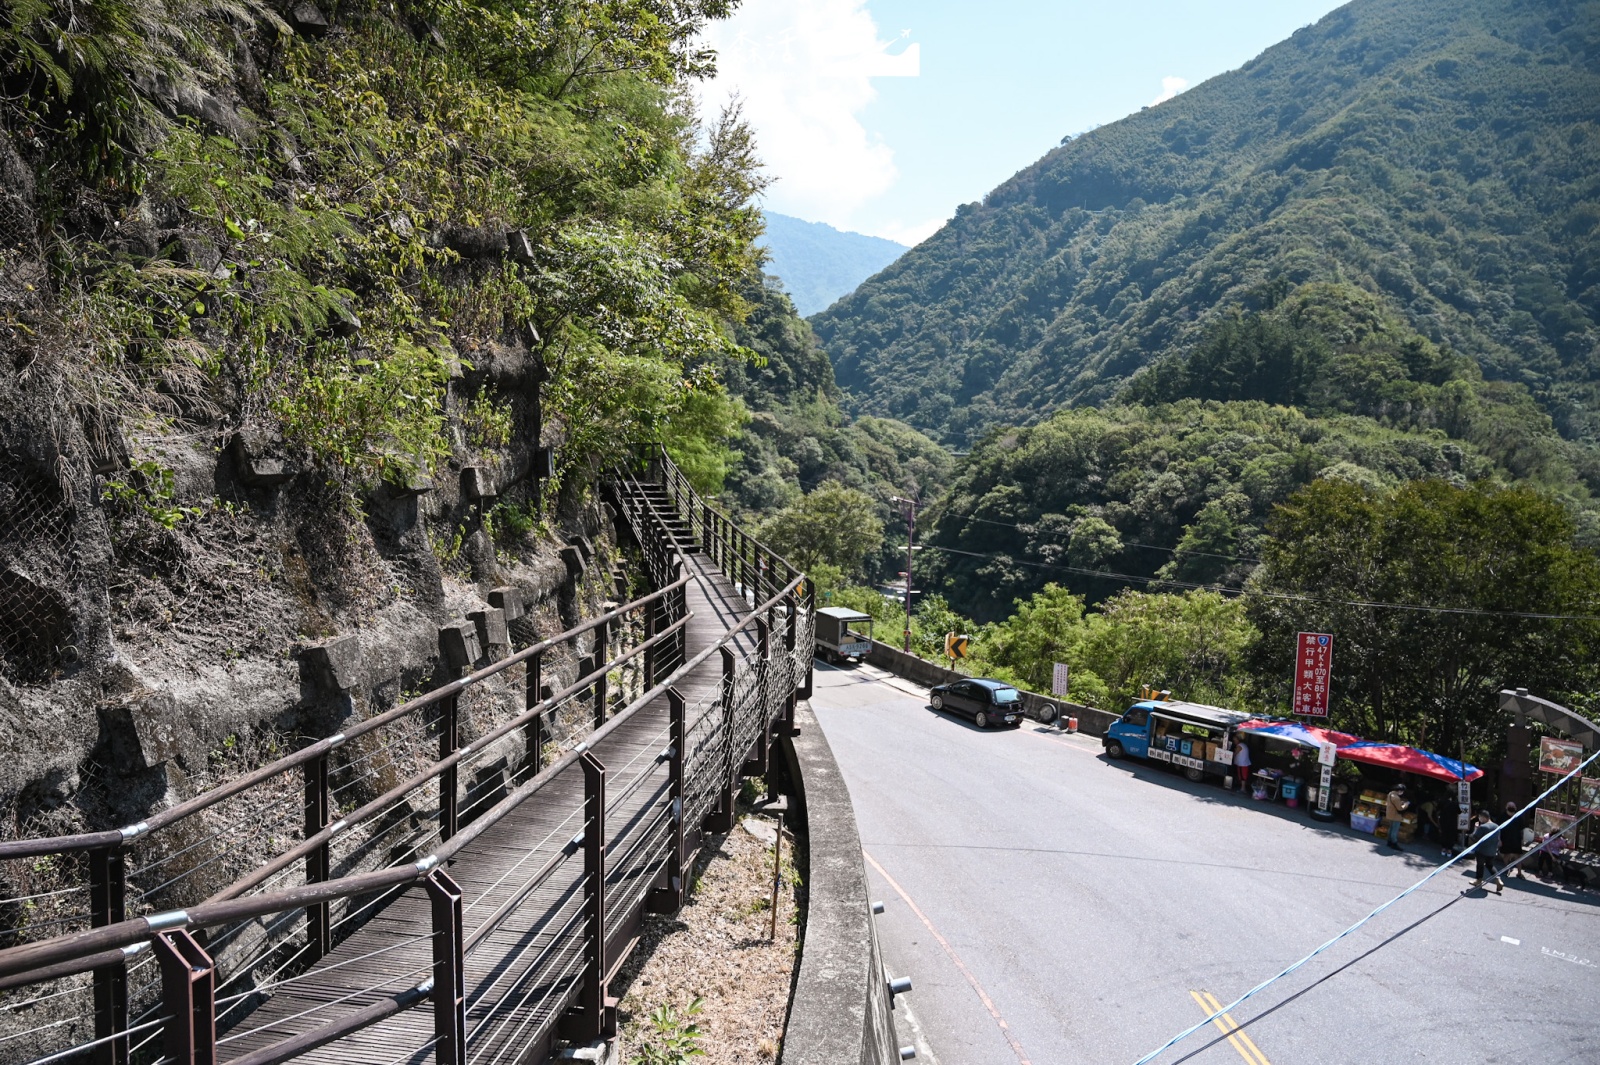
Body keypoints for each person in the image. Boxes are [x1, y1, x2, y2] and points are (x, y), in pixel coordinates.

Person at [1466, 810, 1504, 894]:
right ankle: (1498, 879)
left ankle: (1478, 880)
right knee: (1490, 865)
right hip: (1492, 851)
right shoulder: (1497, 826)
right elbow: (1498, 840)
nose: (1479, 819)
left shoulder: (1483, 827)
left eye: (1480, 817)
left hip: (1482, 850)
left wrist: (1475, 829)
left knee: (1480, 865)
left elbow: (1474, 837)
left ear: (1484, 817)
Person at [1500, 801, 1532, 879]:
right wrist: (1499, 839)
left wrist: (1522, 840)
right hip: (1506, 838)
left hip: (1515, 839)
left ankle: (1518, 872)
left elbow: (1522, 829)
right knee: (1507, 855)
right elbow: (1499, 829)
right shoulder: (1503, 816)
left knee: (1516, 856)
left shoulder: (1517, 817)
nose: (1511, 813)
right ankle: (1507, 869)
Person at [1384, 783, 1411, 850]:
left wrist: (1400, 802)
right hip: (1396, 816)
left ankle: (1389, 841)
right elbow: (1400, 808)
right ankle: (1394, 843)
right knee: (1394, 830)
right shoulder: (1396, 798)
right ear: (1400, 791)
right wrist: (1406, 804)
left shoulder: (1390, 794)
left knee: (1391, 828)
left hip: (1390, 814)